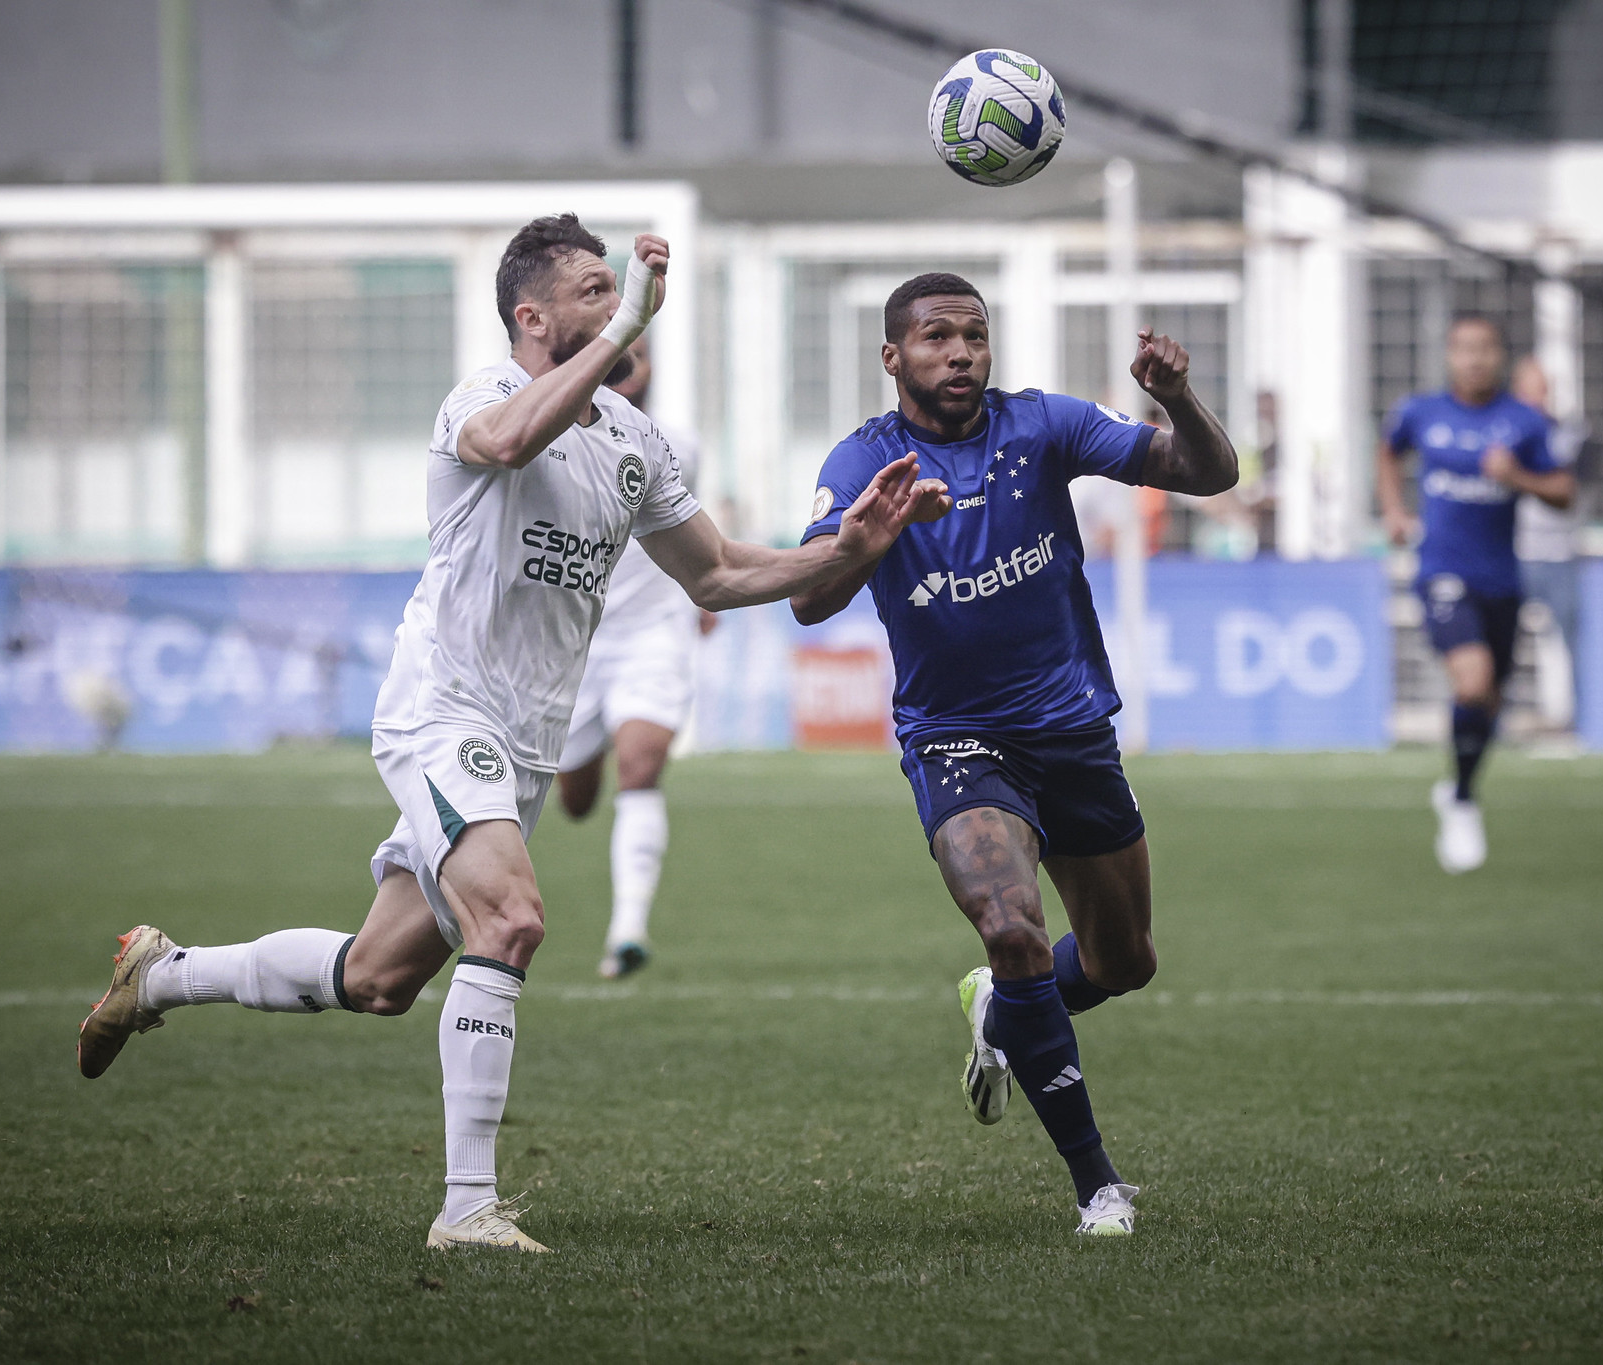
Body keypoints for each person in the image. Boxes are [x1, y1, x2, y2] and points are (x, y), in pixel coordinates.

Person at [75, 214, 951, 1254]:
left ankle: (161, 974)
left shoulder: (637, 444)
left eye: (614, 285)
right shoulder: (483, 398)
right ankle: (465, 1208)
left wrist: (844, 550)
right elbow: (507, 444)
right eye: (591, 288)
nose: (616, 297)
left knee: (378, 978)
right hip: (443, 713)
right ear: (531, 318)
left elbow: (717, 573)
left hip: (524, 745)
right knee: (513, 920)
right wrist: (626, 317)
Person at [790, 273, 1238, 1239]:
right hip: (955, 739)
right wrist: (875, 533)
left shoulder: (1042, 427)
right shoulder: (865, 460)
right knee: (1009, 921)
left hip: (1070, 730)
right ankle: (1097, 1187)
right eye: (937, 337)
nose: (959, 353)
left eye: (974, 337)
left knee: (1124, 962)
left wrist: (1176, 399)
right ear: (892, 357)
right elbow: (809, 600)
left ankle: (1001, 1009)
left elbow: (1209, 474)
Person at [1376, 315, 1575, 874]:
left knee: (1488, 704)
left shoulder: (1523, 422)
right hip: (1441, 572)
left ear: (1499, 355)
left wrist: (1519, 479)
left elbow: (1564, 490)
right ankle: (1463, 806)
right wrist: (1394, 510)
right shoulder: (1421, 413)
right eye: (1464, 348)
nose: (1475, 359)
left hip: (1502, 581)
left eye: (1485, 348)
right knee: (1474, 678)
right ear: (1449, 354)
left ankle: (1459, 786)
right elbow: (1387, 451)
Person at [555, 337, 714, 979]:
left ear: (653, 370)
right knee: (574, 798)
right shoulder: (551, 439)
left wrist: (705, 589)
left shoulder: (679, 445)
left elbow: (688, 524)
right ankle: (578, 761)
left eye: (640, 353)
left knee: (641, 768)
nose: (628, 363)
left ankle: (627, 929)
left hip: (652, 634)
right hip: (574, 640)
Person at [1510, 356, 1585, 721]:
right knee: (1501, 642)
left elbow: (1570, 485)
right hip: (1513, 552)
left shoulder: (1565, 434)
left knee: (1571, 639)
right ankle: (1496, 722)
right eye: (1529, 389)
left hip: (1559, 553)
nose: (1537, 397)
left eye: (1542, 389)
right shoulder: (1500, 431)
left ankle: (1576, 720)